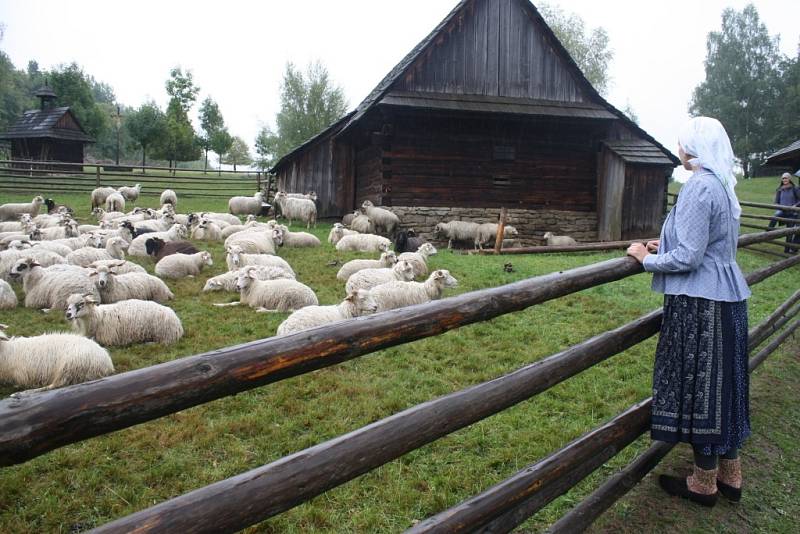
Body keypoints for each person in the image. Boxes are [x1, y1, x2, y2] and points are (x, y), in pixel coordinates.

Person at [627, 117, 751, 508]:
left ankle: (703, 484)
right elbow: (707, 242)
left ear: (692, 147)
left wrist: (647, 259)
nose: (678, 149)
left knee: (702, 391)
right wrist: (663, 240)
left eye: (681, 143)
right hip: (726, 300)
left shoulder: (698, 187)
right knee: (724, 386)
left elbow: (690, 256)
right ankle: (730, 476)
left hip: (701, 304)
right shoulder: (722, 187)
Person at [767, 172, 799, 253]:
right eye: (783, 178)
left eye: (786, 178)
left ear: (789, 179)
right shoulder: (779, 189)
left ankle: (787, 250)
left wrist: (795, 205)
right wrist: (778, 206)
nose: (784, 179)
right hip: (782, 210)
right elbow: (776, 201)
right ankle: (769, 232)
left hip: (792, 212)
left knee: (790, 232)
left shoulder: (794, 188)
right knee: (776, 215)